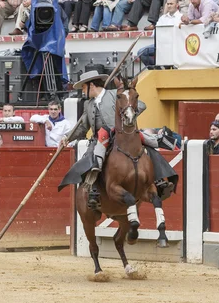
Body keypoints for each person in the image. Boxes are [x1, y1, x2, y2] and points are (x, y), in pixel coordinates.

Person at [60, 70, 177, 208]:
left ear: (91, 85)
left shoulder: (115, 95)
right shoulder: (89, 105)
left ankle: (157, 181)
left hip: (121, 134)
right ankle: (93, 191)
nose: (82, 91)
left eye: (83, 88)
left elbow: (140, 104)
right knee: (90, 158)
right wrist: (67, 138)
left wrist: (129, 114)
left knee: (148, 147)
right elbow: (82, 127)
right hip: (100, 138)